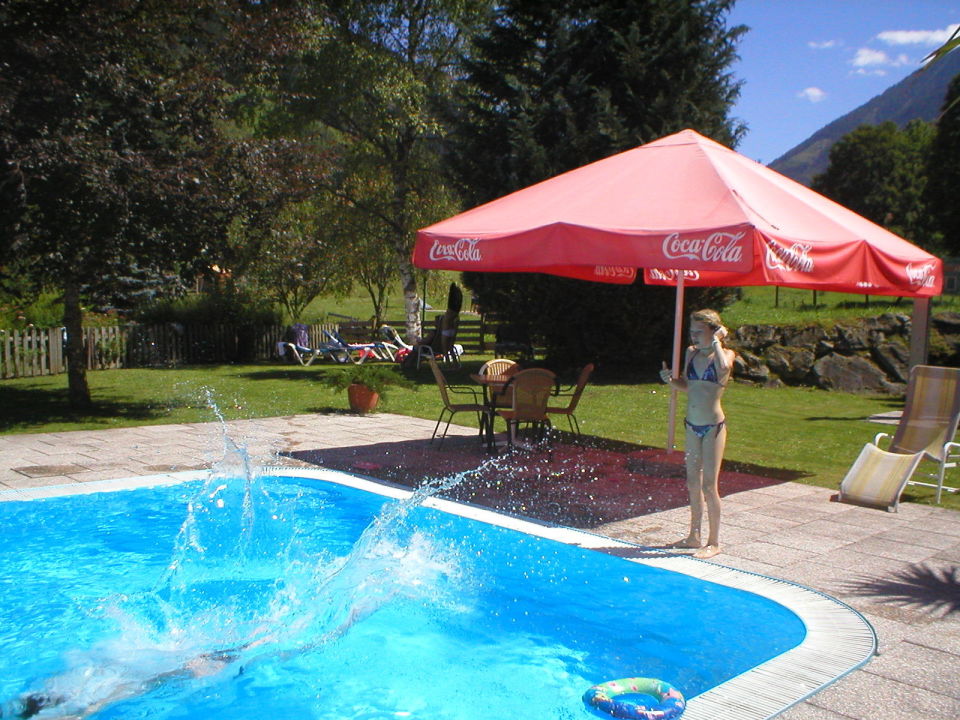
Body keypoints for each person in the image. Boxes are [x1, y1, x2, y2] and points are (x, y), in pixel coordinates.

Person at [658, 309, 735, 559]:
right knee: (692, 481)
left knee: (709, 485)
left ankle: (714, 542)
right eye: (691, 332)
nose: (693, 337)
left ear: (714, 331)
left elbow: (723, 369)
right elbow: (688, 387)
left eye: (698, 332)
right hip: (691, 424)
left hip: (713, 427)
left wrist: (717, 342)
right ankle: (694, 535)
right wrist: (670, 380)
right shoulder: (691, 353)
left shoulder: (726, 355)